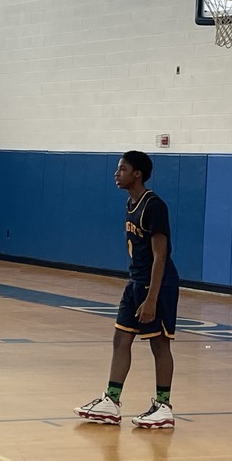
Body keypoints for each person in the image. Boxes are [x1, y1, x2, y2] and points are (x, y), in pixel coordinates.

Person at [74, 150, 179, 429]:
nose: (116, 174)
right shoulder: (130, 204)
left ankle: (164, 406)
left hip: (157, 284)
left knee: (159, 344)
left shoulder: (154, 205)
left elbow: (160, 255)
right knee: (121, 340)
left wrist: (152, 298)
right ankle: (111, 400)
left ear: (137, 174)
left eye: (122, 169)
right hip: (135, 281)